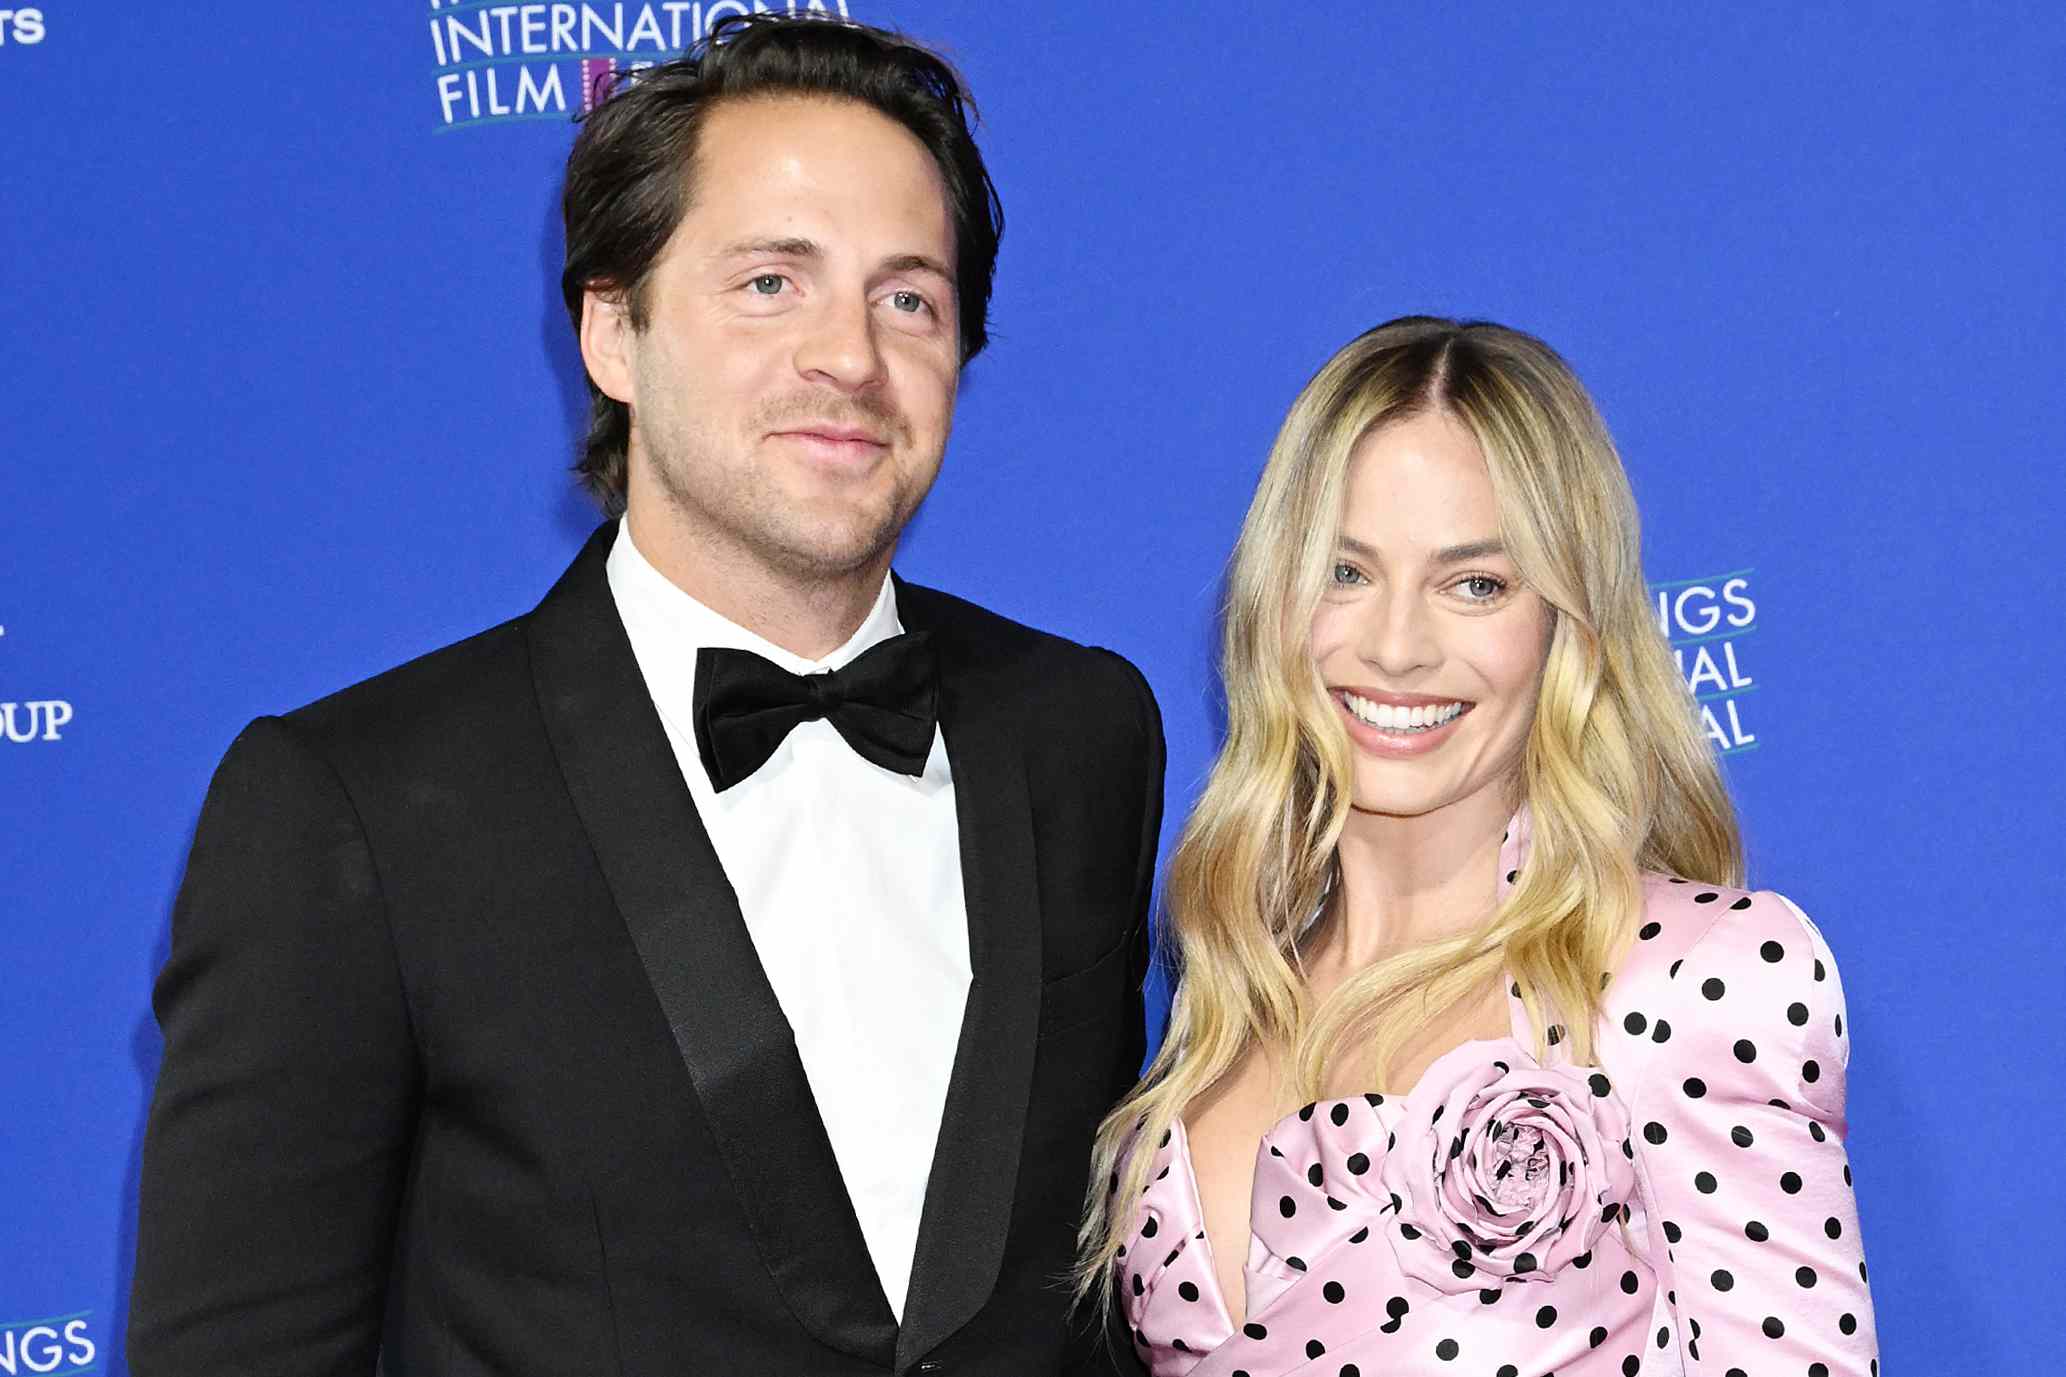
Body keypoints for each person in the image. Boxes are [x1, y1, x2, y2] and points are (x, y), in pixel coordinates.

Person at [129, 17, 1163, 1376]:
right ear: (613, 332)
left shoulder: (1080, 731)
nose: (850, 358)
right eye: (770, 283)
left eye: (907, 298)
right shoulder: (349, 806)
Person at [1076, 317, 1878, 1376]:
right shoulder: (1225, 1001)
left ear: (1565, 627)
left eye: (1475, 585)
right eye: (1345, 572)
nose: (1396, 646)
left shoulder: (1689, 977)